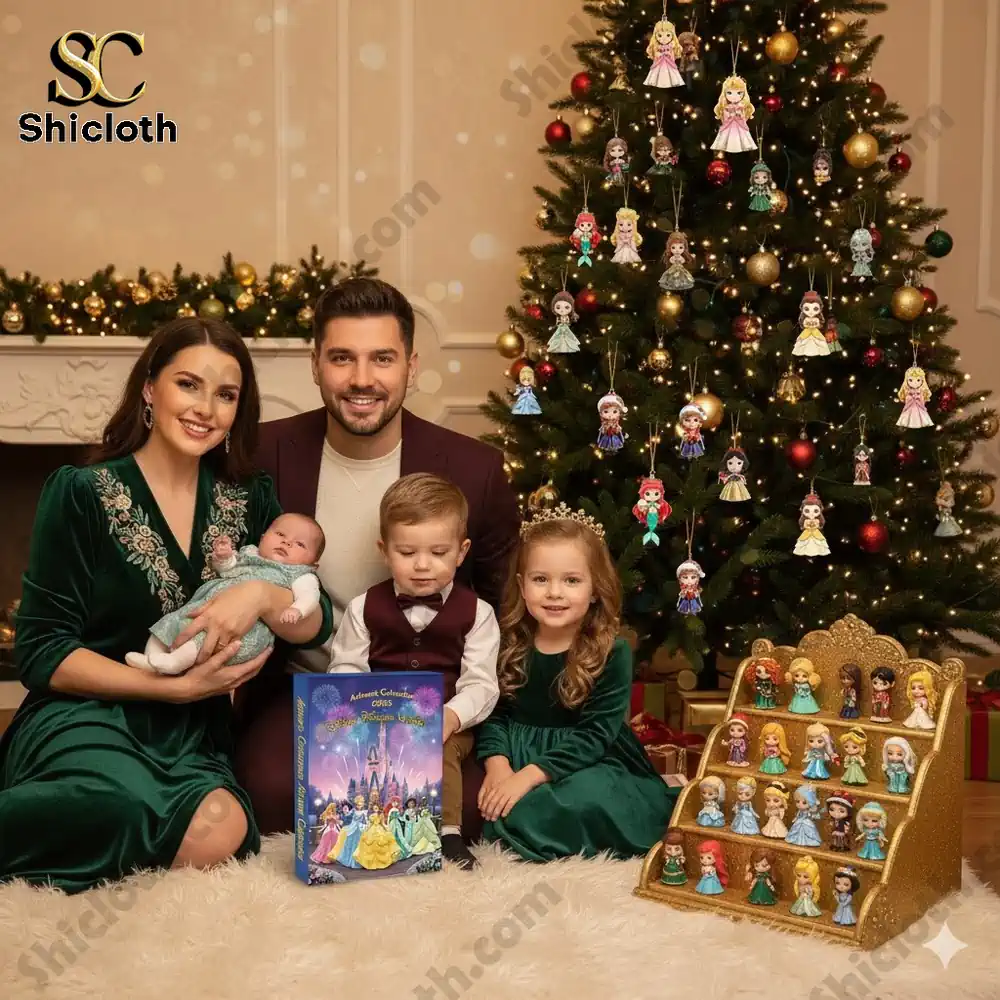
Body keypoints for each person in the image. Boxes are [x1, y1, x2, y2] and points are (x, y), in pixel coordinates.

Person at [0, 318, 333, 894]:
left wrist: (261, 593)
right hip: (85, 713)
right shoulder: (80, 492)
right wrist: (170, 688)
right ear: (150, 388)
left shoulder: (249, 495)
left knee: (223, 829)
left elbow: (314, 619)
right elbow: (41, 652)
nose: (206, 409)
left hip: (191, 731)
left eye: (226, 394)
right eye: (188, 384)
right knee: (119, 802)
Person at [235, 277, 520, 837]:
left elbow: (502, 609)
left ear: (410, 367)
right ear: (316, 364)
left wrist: (479, 724)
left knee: (456, 814)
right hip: (305, 688)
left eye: (382, 359)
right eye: (342, 357)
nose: (362, 379)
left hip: (436, 704)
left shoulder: (475, 469)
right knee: (274, 798)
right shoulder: (262, 453)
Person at [476, 507, 678, 861]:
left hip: (588, 758)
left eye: (571, 580)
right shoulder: (507, 643)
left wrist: (528, 777)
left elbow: (596, 734)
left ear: (595, 589)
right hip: (518, 751)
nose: (555, 593)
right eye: (541, 579)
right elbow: (495, 712)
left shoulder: (612, 652)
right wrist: (498, 765)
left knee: (585, 798)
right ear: (522, 586)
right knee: (488, 803)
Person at [328, 473, 500, 870]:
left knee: (438, 749)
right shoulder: (362, 608)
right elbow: (346, 666)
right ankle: (357, 830)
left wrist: (451, 716)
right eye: (407, 552)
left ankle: (448, 834)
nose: (422, 565)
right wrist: (360, 714)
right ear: (384, 550)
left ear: (461, 552)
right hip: (377, 718)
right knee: (347, 755)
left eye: (439, 552)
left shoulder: (478, 613)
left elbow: (481, 683)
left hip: (446, 720)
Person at [126, 512, 325, 674]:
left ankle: (173, 663)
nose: (287, 542)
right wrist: (224, 558)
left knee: (204, 639)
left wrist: (298, 610)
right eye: (280, 534)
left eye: (300, 544)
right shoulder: (250, 554)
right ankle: (150, 659)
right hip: (205, 605)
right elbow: (228, 570)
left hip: (245, 627)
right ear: (263, 537)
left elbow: (310, 596)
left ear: (313, 564)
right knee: (171, 622)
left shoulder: (300, 575)